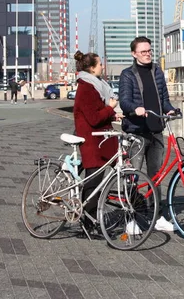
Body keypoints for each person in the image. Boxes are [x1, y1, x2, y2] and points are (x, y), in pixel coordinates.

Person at [119, 36, 177, 232]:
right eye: (143, 52)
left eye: (149, 51)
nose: (147, 54)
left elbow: (164, 98)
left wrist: (170, 109)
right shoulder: (127, 75)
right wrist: (135, 108)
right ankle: (130, 218)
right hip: (136, 132)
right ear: (134, 54)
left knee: (156, 176)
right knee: (133, 176)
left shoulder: (157, 72)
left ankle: (157, 215)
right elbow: (124, 101)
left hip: (156, 130)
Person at [72, 50, 121, 235]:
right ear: (92, 68)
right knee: (94, 182)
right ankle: (88, 222)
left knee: (100, 177)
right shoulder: (86, 87)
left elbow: (99, 111)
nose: (103, 66)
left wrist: (113, 113)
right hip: (92, 140)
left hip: (101, 137)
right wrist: (110, 108)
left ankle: (92, 218)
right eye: (100, 63)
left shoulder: (96, 85)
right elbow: (93, 118)